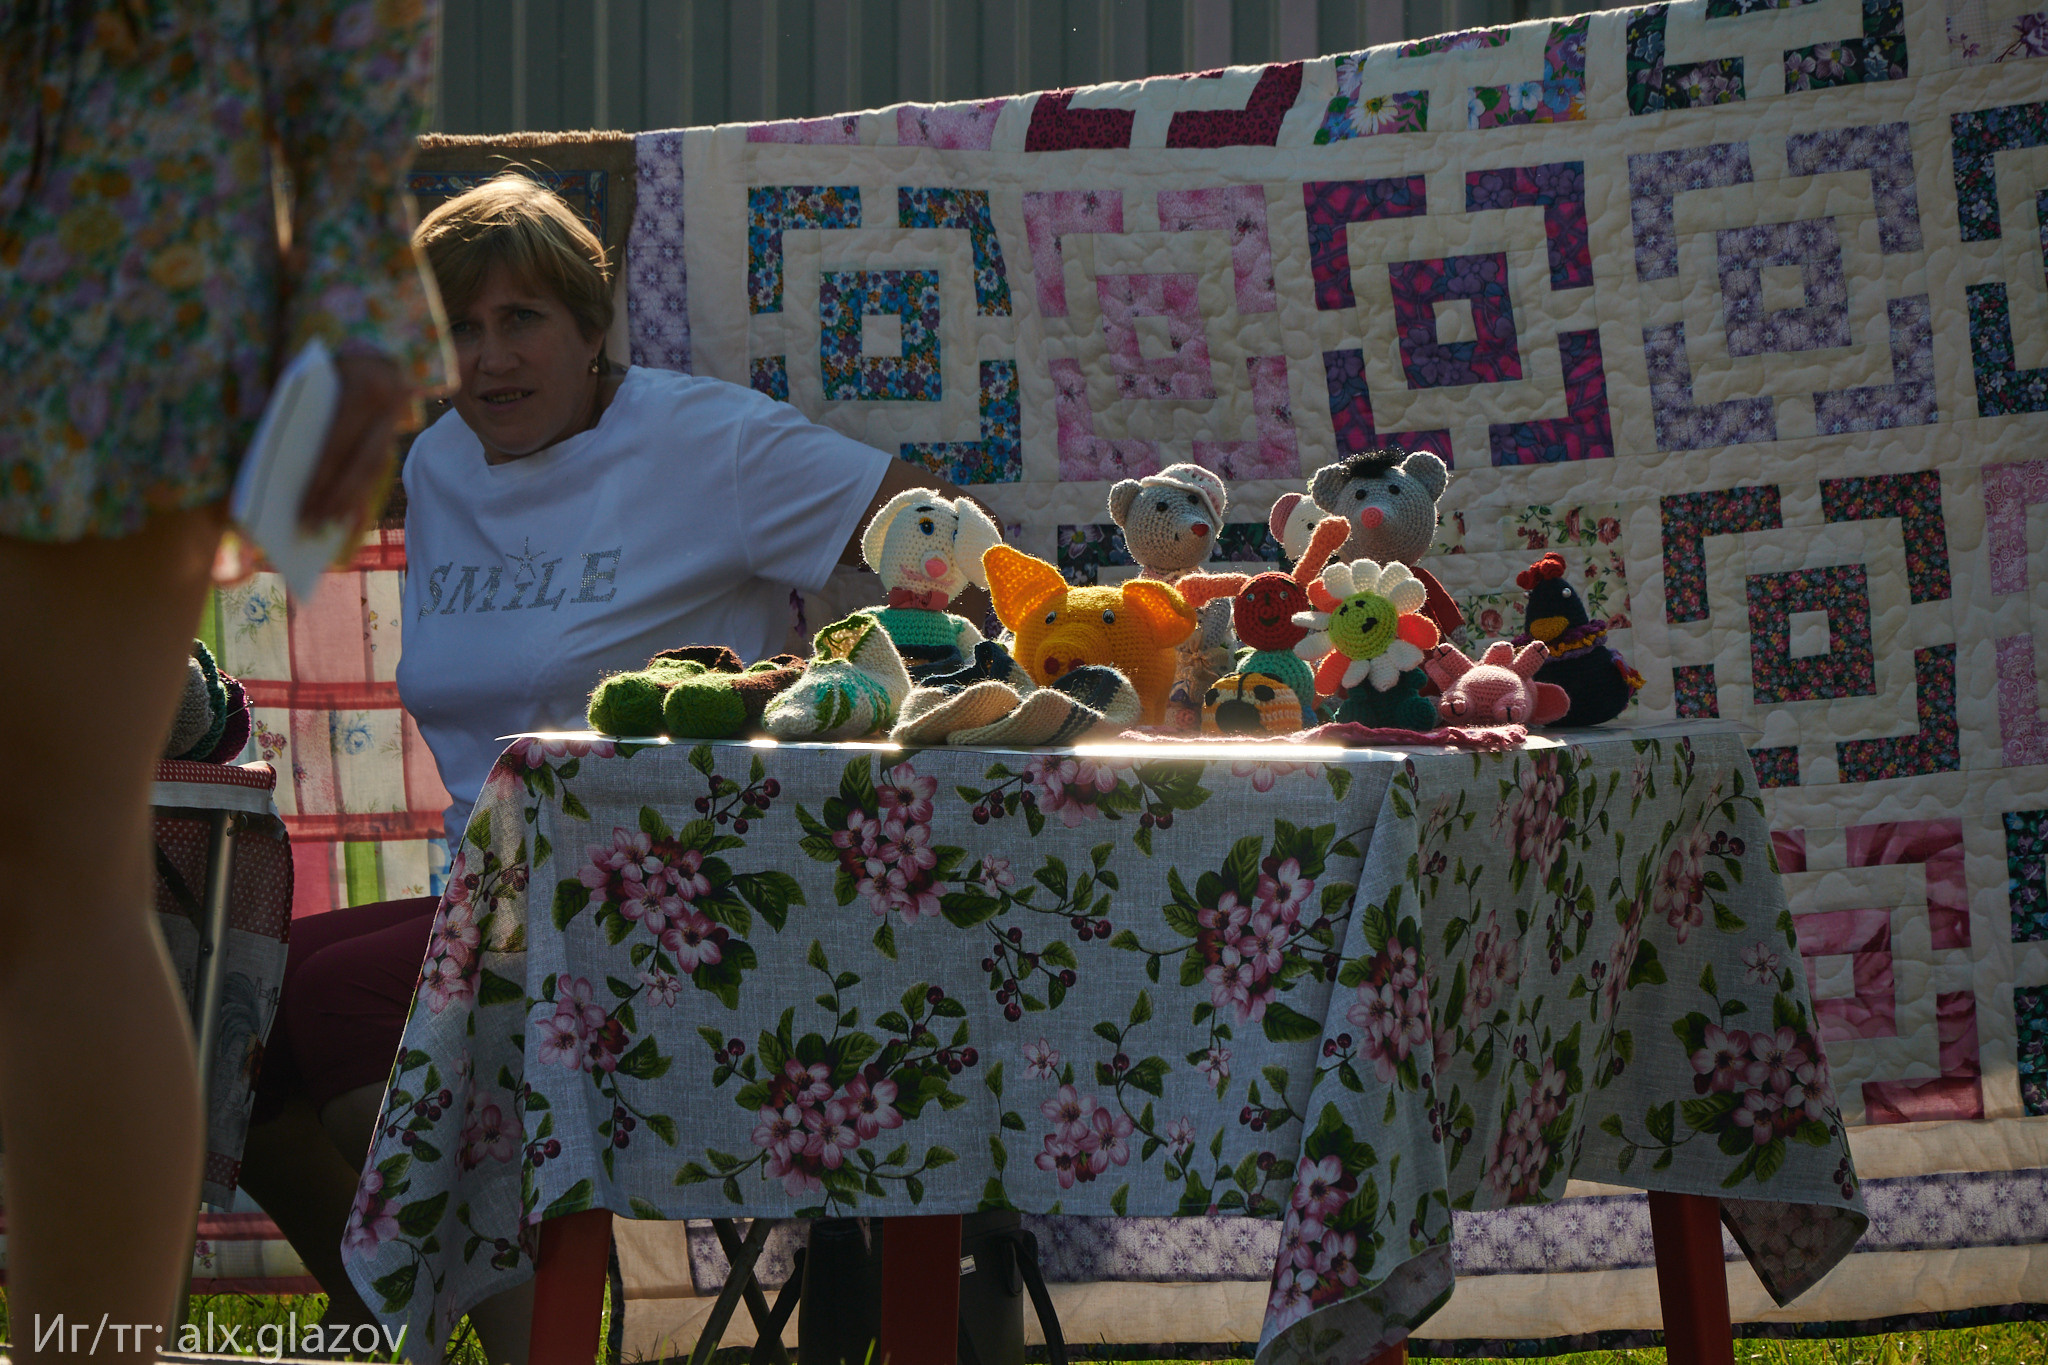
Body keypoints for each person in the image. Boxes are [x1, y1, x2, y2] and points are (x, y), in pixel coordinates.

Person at [237, 174, 990, 1355]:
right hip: (501, 893)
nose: (489, 358)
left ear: (592, 329)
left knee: (343, 1000)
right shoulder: (440, 464)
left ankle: (508, 1345)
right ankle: (389, 1318)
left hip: (683, 903)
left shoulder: (710, 442)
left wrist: (889, 706)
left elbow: (947, 548)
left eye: (521, 320)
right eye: (458, 330)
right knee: (242, 998)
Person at [0, 4, 444, 1357]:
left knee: (56, 874)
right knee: (59, 878)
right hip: (119, 219)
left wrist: (356, 272)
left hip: (102, 224)